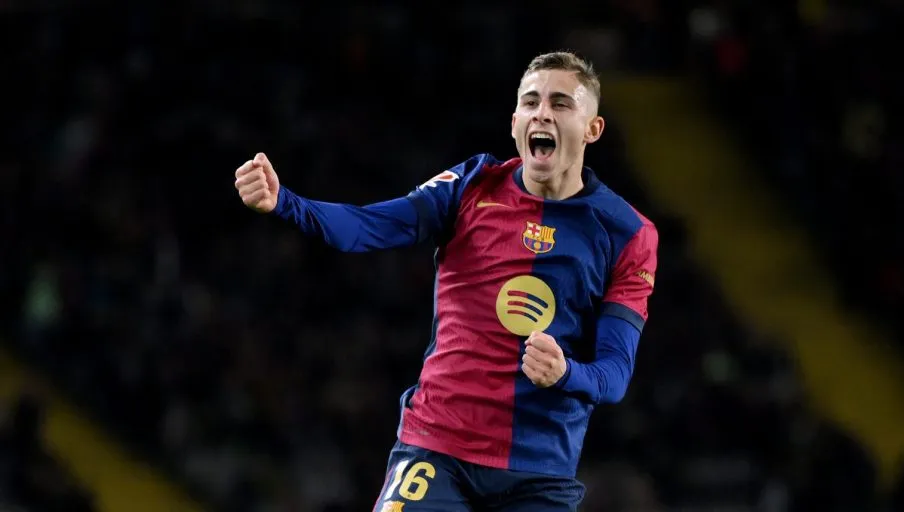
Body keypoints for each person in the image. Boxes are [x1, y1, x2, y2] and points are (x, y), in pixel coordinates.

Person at [234, 51, 659, 511]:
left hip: (539, 473)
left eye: (560, 103)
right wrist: (286, 202)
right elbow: (366, 227)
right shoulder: (470, 186)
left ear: (592, 129)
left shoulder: (628, 233)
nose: (542, 113)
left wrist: (565, 373)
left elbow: (615, 375)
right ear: (515, 120)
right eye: (531, 102)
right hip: (437, 451)